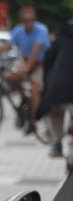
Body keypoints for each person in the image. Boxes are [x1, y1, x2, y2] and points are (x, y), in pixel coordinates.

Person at [0, 4, 49, 151]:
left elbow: (37, 50)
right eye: (25, 21)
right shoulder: (19, 31)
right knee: (9, 77)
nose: (28, 24)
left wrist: (26, 67)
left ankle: (32, 121)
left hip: (39, 64)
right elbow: (6, 46)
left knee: (35, 89)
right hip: (26, 62)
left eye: (30, 20)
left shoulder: (41, 30)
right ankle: (23, 98)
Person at [38, 20, 73, 154]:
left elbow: (48, 60)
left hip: (59, 87)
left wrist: (47, 82)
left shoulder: (62, 36)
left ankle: (56, 144)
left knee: (55, 112)